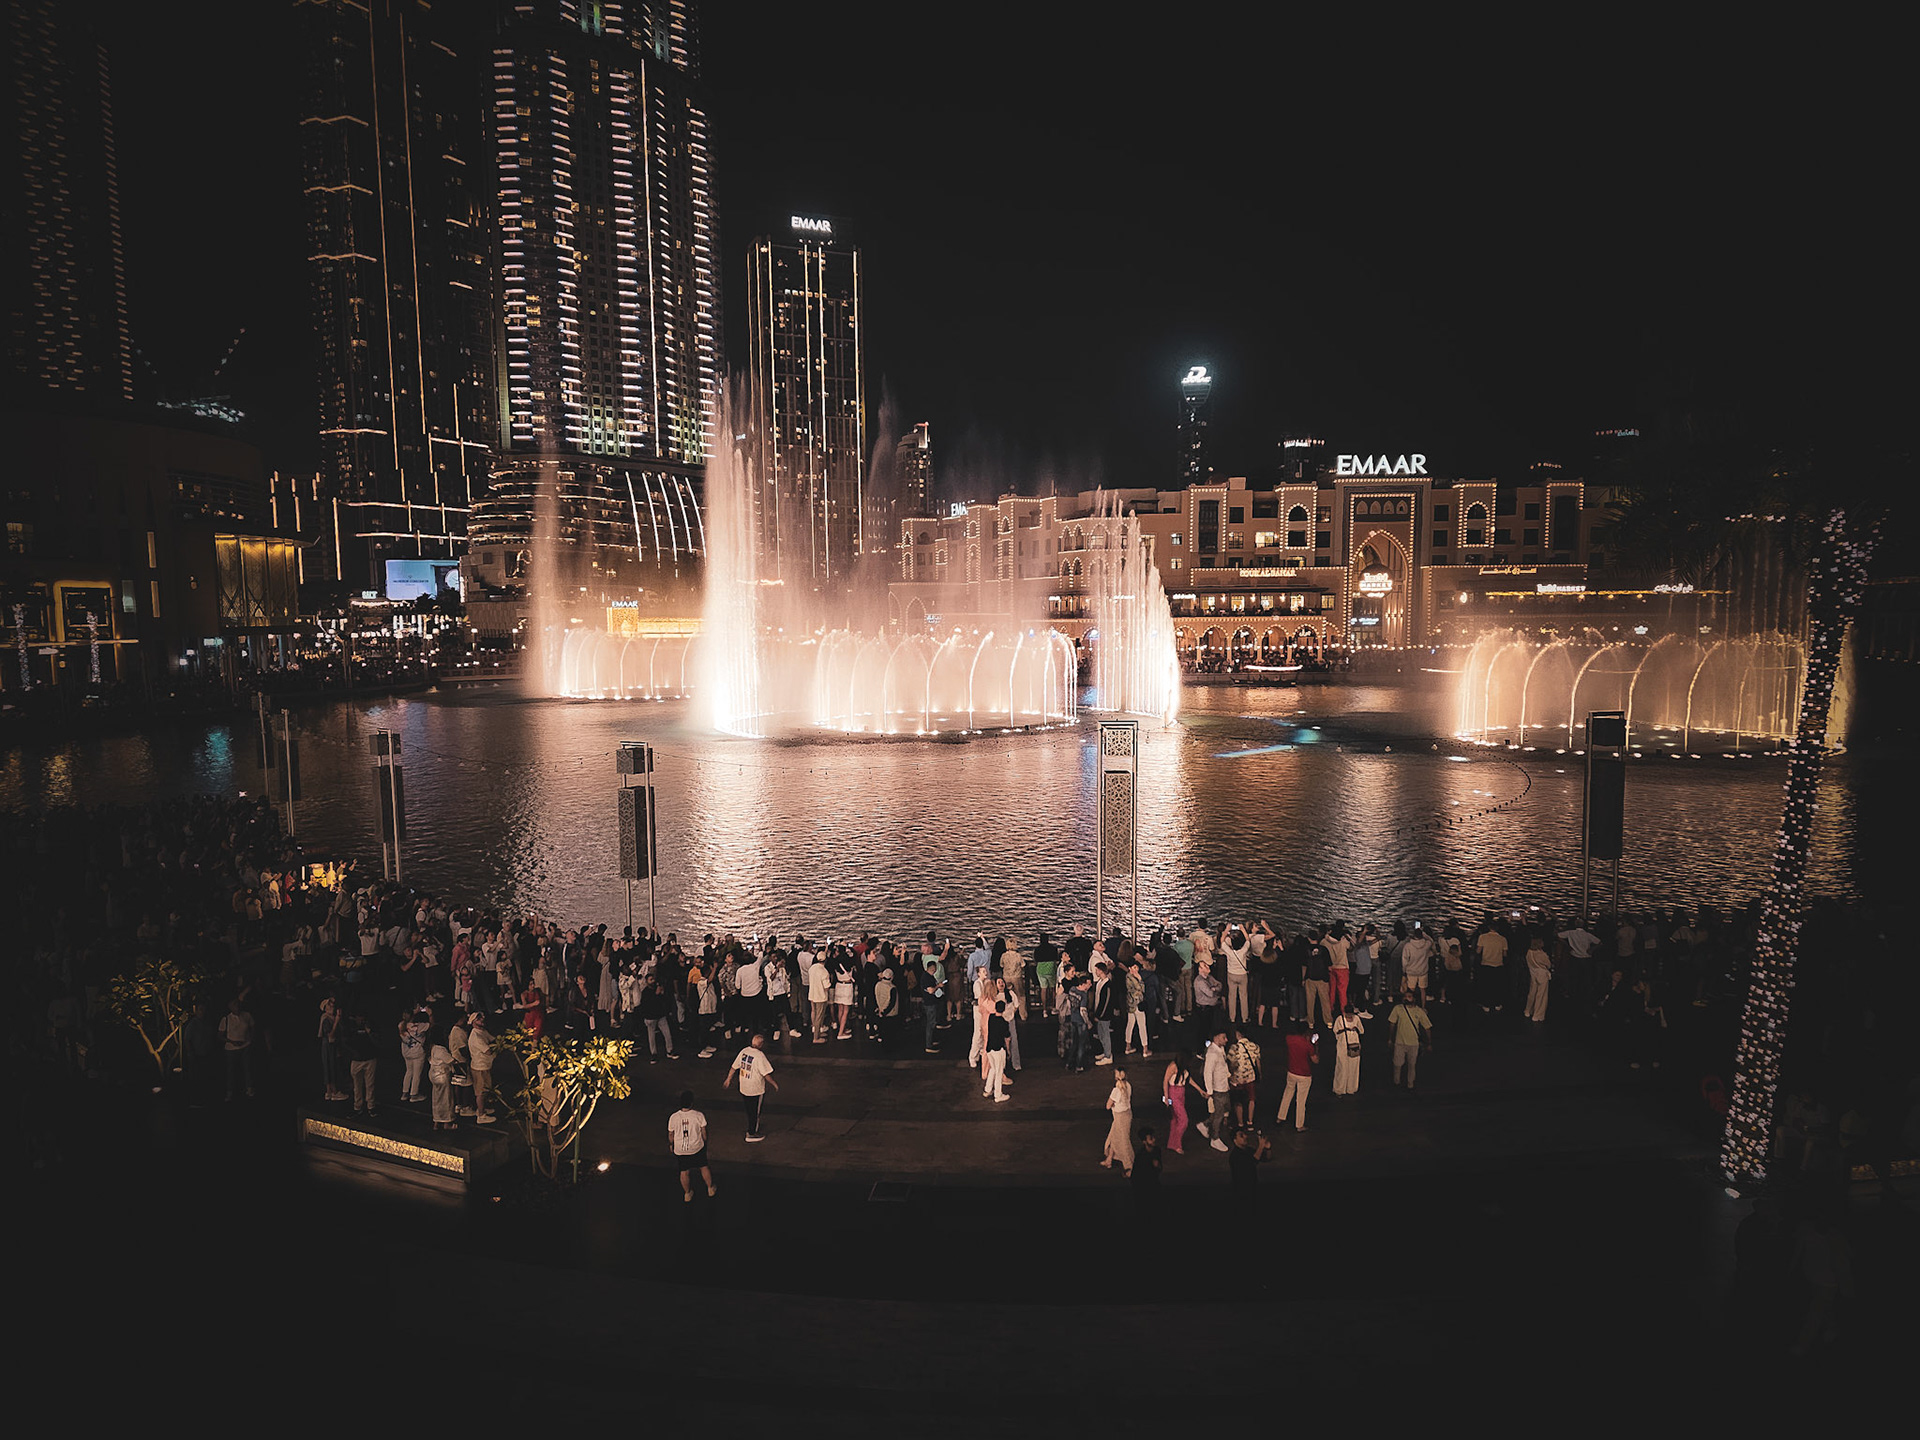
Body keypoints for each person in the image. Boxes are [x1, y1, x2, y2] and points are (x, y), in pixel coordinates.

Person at [723, 1033, 778, 1141]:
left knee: (749, 1110)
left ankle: (753, 1126)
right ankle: (752, 1133)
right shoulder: (760, 1056)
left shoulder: (744, 1051)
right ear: (761, 1044)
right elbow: (766, 1074)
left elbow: (734, 1067)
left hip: (744, 1087)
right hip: (756, 1089)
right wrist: (774, 1083)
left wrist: (728, 1079)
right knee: (755, 1111)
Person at [668, 1090, 717, 1202]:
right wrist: (705, 1142)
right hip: (697, 1147)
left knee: (684, 1171)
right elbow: (704, 1132)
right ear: (691, 1103)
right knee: (703, 1166)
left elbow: (671, 1134)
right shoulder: (698, 1115)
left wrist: (671, 1144)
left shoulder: (673, 1117)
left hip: (680, 1149)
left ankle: (687, 1193)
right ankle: (710, 1188)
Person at [1275, 1019, 1318, 1131]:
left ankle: (1281, 1116)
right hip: (1304, 1074)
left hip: (1291, 1071)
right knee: (1301, 1100)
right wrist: (1315, 1045)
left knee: (1287, 1094)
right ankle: (1299, 1125)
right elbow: (1315, 1060)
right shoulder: (1307, 1045)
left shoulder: (1290, 1039)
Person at [1388, 988, 1432, 1090]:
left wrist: (1429, 1043)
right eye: (1405, 997)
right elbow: (1392, 1024)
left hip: (1413, 1043)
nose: (1406, 998)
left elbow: (1427, 1027)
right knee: (1397, 1064)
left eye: (1409, 997)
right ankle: (1396, 1083)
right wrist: (1390, 1039)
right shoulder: (1398, 1009)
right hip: (1399, 1042)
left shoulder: (1419, 1011)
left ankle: (1410, 1085)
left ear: (1414, 999)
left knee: (1412, 1065)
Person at [1199, 1029, 1231, 1152]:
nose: (1226, 1040)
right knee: (1219, 1114)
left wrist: (1228, 1077)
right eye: (1224, 1037)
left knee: (1222, 1110)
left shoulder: (1220, 1049)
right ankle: (1215, 1138)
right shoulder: (1212, 1053)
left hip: (1223, 1086)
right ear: (1216, 1037)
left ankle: (1205, 1125)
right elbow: (1208, 1072)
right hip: (1217, 1089)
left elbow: (1223, 1066)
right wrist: (1209, 1090)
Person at [1224, 1026, 1262, 1129]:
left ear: (1238, 1034)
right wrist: (1259, 1074)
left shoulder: (1234, 1048)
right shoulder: (1255, 1046)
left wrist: (1230, 1075)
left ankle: (1240, 1123)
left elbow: (1230, 1063)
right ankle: (1250, 1121)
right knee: (1251, 1099)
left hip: (1238, 1079)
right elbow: (1258, 1062)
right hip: (1251, 1077)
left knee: (1238, 1101)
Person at [219, 996, 256, 1101]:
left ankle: (249, 1089)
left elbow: (253, 1027)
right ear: (230, 1006)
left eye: (238, 1004)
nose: (237, 1006)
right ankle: (230, 1091)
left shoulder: (247, 1015)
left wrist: (250, 1038)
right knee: (231, 1071)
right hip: (231, 1048)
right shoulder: (226, 1019)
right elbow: (220, 1035)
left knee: (247, 1068)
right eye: (234, 1004)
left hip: (246, 1046)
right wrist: (232, 1041)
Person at [1103, 1068, 1135, 1176]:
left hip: (1120, 1117)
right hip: (1127, 1114)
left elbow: (1108, 1106)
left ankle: (1129, 1166)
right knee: (1114, 1136)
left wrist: (1113, 1104)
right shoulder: (1128, 1085)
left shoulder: (1116, 1090)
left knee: (1123, 1141)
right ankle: (1109, 1159)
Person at [467, 1011, 496, 1123]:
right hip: (480, 1067)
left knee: (486, 1090)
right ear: (473, 1022)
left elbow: (492, 1039)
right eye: (478, 1019)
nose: (482, 1020)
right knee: (480, 1092)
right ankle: (481, 1115)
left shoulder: (482, 1031)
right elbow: (488, 1051)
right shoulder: (475, 1037)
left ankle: (482, 1108)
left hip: (485, 1066)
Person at [1162, 1053, 1193, 1154]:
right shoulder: (1173, 1066)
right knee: (1183, 1120)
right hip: (1174, 1093)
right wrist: (1166, 1097)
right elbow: (1165, 1081)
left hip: (1181, 1092)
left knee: (1176, 1119)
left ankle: (1172, 1143)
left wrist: (1200, 1090)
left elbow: (1188, 1079)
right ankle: (1176, 1143)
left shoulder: (1183, 1067)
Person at [1221, 924, 1251, 1024]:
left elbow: (1222, 941)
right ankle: (1245, 1017)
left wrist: (1227, 929)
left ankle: (1232, 1017)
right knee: (1243, 996)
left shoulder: (1229, 952)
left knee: (1232, 996)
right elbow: (1248, 940)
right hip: (1242, 975)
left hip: (1231, 974)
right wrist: (1243, 929)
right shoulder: (1243, 951)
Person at [1331, 1002, 1364, 1094]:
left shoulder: (1355, 1018)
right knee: (1342, 1067)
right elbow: (1361, 1031)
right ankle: (1341, 1089)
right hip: (1345, 1044)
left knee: (1352, 1067)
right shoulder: (1340, 1019)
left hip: (1351, 1045)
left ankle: (1349, 1088)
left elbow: (1361, 1030)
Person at [1132, 1127, 1163, 1218]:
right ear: (1144, 1142)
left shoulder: (1157, 1150)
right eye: (1151, 1138)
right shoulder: (1140, 1156)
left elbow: (1159, 1168)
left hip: (1154, 1184)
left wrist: (1157, 1166)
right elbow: (1136, 1176)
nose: (1154, 1140)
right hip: (1143, 1188)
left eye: (1153, 1138)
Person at [318, 996, 345, 1102]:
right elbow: (330, 1035)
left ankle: (329, 1091)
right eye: (329, 1005)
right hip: (328, 1046)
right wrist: (336, 1022)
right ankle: (333, 1091)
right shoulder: (326, 1019)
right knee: (330, 1066)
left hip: (331, 1046)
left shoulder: (331, 1018)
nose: (332, 1007)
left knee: (330, 1066)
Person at [983, 1000, 1011, 1102]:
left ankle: (987, 1089)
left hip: (989, 1048)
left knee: (993, 1069)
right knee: (999, 1072)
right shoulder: (1004, 1023)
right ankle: (998, 1095)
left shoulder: (991, 1018)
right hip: (999, 1049)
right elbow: (1007, 1038)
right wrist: (1008, 1051)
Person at [398, 1008, 427, 1102]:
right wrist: (428, 1013)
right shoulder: (419, 1026)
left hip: (406, 1052)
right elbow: (431, 1024)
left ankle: (405, 1093)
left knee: (409, 1071)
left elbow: (406, 1021)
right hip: (417, 1053)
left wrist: (413, 1013)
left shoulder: (401, 1025)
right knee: (416, 1074)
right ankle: (414, 1094)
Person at [1524, 934, 1552, 1022]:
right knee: (1541, 995)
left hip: (1533, 974)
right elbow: (1548, 964)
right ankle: (1537, 1015)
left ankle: (1528, 1010)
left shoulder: (1529, 952)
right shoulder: (1541, 954)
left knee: (1532, 993)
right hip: (1542, 975)